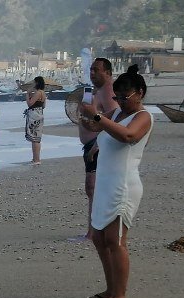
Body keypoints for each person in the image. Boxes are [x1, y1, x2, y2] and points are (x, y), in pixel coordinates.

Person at [78, 65, 154, 298]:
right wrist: (86, 115)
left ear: (140, 93)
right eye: (117, 97)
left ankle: (119, 296)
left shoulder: (144, 117)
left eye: (125, 97)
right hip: (105, 183)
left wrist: (98, 117)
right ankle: (110, 289)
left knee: (115, 239)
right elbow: (97, 128)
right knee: (99, 239)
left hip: (123, 185)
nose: (121, 102)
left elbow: (128, 136)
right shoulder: (117, 113)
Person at [76, 58, 119, 240]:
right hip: (92, 145)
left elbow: (115, 118)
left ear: (108, 72)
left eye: (97, 70)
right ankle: (94, 231)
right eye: (91, 70)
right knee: (92, 189)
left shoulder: (108, 91)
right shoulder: (99, 91)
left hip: (98, 145)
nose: (92, 73)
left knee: (94, 188)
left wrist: (99, 143)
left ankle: (94, 232)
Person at [24, 76, 47, 165]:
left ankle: (36, 159)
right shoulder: (43, 93)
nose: (33, 83)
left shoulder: (38, 93)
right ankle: (35, 158)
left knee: (35, 139)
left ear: (37, 83)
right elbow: (43, 106)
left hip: (34, 115)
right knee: (36, 138)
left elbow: (30, 104)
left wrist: (27, 94)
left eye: (34, 82)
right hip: (39, 113)